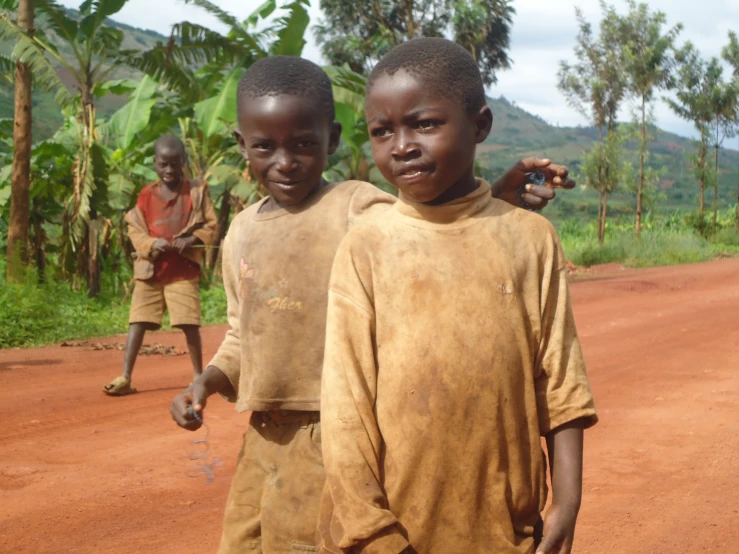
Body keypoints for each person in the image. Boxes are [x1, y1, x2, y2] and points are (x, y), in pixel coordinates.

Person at [168, 56, 578, 553]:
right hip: (266, 431)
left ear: (332, 141)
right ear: (243, 146)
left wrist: (498, 204)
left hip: (337, 430)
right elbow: (242, 332)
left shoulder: (357, 207)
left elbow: (436, 230)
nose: (285, 162)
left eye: (302, 144)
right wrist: (207, 380)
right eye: (264, 147)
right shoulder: (241, 232)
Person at [318, 38, 598, 554]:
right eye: (382, 131)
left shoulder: (529, 238)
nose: (401, 145)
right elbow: (344, 408)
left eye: (424, 124)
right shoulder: (367, 247)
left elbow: (560, 382)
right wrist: (371, 530)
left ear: (481, 125)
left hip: (507, 532)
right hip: (395, 533)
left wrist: (568, 501)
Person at [103, 135, 217, 396]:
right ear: (154, 163)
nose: (169, 170)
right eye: (163, 164)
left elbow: (211, 225)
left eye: (175, 164)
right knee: (137, 322)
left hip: (183, 272)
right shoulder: (146, 195)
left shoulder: (196, 192)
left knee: (189, 324)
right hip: (150, 271)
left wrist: (191, 240)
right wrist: (152, 244)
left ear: (184, 162)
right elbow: (134, 229)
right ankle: (125, 377)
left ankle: (198, 375)